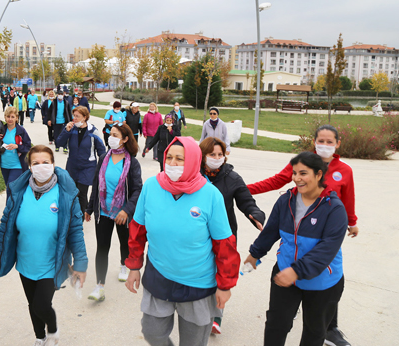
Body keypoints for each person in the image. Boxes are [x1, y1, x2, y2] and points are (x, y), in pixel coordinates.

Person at [246, 124, 357, 346]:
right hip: (286, 273)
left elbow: (327, 249)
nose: (296, 178)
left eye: (302, 174)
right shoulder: (286, 199)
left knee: (315, 331)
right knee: (277, 323)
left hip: (321, 278)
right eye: (294, 173)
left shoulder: (334, 208)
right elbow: (271, 231)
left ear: (318, 175)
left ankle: (331, 330)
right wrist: (255, 253)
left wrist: (351, 221)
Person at [125, 136, 240, 346]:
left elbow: (224, 244)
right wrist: (134, 266)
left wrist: (225, 285)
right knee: (152, 333)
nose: (172, 163)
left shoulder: (210, 195)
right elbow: (137, 230)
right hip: (158, 276)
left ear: (194, 161)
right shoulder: (151, 186)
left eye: (180, 159)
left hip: (198, 283)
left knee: (193, 342)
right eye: (169, 157)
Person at [0, 145, 88, 346]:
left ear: (53, 164)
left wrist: (80, 263)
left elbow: (75, 231)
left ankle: (52, 329)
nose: (41, 166)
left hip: (51, 262)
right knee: (32, 304)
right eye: (35, 163)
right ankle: (40, 337)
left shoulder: (66, 194)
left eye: (46, 162)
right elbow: (5, 224)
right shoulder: (19, 191)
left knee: (41, 304)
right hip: (26, 260)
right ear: (29, 166)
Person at [199, 136, 265, 334]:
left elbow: (246, 200)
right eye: (212, 154)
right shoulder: (193, 175)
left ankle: (216, 316)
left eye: (220, 154)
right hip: (198, 234)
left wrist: (256, 214)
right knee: (202, 273)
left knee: (221, 273)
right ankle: (198, 310)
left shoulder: (232, 177)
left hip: (224, 235)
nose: (217, 158)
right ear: (202, 155)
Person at [85, 124, 142, 302]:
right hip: (102, 211)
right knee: (102, 247)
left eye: (115, 135)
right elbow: (96, 184)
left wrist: (126, 210)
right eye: (111, 134)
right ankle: (99, 286)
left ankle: (123, 265)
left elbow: (137, 190)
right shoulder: (103, 158)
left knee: (124, 242)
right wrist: (88, 208)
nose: (111, 137)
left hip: (122, 214)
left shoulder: (132, 162)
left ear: (125, 139)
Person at [56, 106, 106, 213]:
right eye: (74, 116)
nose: (74, 118)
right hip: (72, 166)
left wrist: (103, 167)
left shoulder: (93, 131)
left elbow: (101, 150)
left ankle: (83, 215)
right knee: (72, 191)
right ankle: (74, 212)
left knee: (82, 192)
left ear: (85, 117)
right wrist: (66, 131)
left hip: (87, 167)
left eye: (77, 116)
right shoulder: (70, 129)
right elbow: (59, 143)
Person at [0, 106, 31, 190]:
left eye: (12, 117)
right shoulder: (1, 130)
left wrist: (17, 146)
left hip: (18, 165)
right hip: (4, 165)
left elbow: (28, 146)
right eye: (8, 116)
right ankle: (16, 203)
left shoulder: (21, 131)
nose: (10, 119)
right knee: (10, 188)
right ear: (5, 117)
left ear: (16, 118)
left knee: (10, 188)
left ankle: (9, 204)